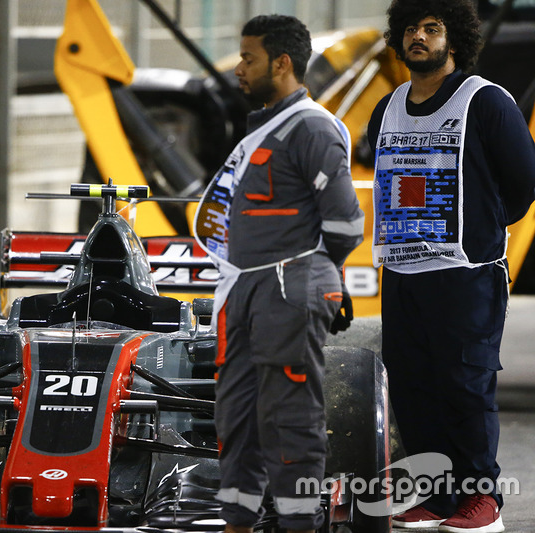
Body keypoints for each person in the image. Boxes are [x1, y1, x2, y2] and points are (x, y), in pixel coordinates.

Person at [368, 1, 535, 531]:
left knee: (465, 386)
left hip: (465, 273)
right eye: (412, 28)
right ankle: (437, 498)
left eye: (433, 29)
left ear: (455, 40)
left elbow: (522, 186)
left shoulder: (484, 102)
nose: (419, 37)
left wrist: (480, 228)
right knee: (415, 388)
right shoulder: (386, 107)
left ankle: (482, 502)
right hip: (401, 273)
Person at [194, 15, 364, 533]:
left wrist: (310, 275)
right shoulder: (264, 127)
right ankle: (238, 522)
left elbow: (345, 226)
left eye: (249, 58)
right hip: (244, 290)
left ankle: (298, 525)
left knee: (290, 419)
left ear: (282, 63)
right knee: (236, 418)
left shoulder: (312, 127)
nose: (239, 69)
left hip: (287, 290)